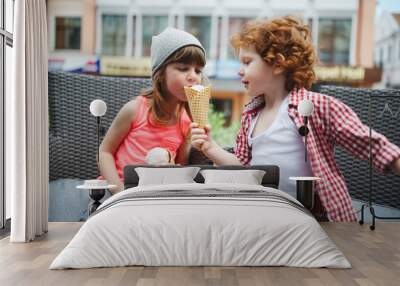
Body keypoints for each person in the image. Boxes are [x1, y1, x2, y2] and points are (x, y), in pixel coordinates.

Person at [190, 16, 400, 222]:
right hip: (266, 216)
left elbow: (371, 144)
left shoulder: (315, 106)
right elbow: (245, 167)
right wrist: (210, 148)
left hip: (315, 220)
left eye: (247, 61)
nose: (239, 70)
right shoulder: (251, 114)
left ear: (278, 64)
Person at [99, 27, 206, 194]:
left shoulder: (186, 122)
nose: (193, 76)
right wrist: (118, 191)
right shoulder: (134, 109)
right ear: (161, 74)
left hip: (155, 195)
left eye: (198, 71)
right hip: (119, 190)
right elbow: (104, 152)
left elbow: (181, 167)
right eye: (183, 68)